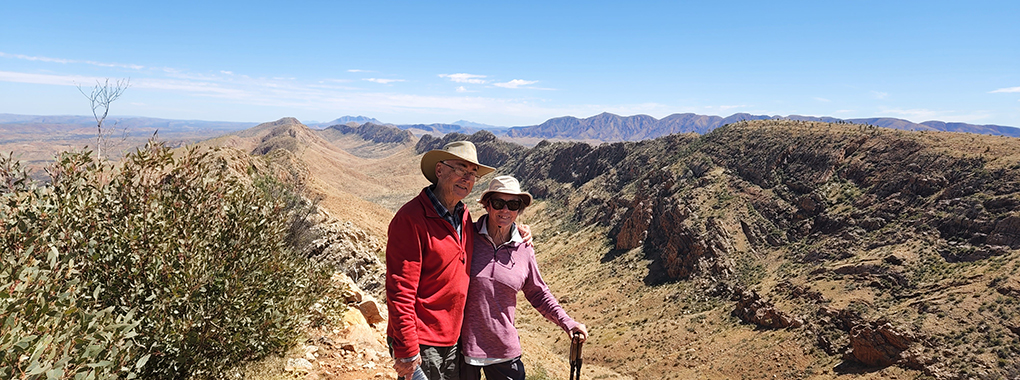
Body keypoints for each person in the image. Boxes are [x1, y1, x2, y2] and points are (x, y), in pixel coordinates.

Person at [460, 175, 589, 380]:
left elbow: (538, 293)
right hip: (463, 349)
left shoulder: (524, 248)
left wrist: (568, 323)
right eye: (498, 203)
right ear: (487, 205)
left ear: (519, 210)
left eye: (513, 204)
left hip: (504, 350)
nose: (505, 210)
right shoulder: (466, 236)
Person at [386, 140, 494, 380]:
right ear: (439, 171)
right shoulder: (411, 219)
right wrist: (406, 349)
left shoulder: (464, 215)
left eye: (473, 173)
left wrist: (519, 232)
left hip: (453, 340)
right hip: (422, 342)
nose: (467, 178)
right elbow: (400, 290)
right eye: (460, 169)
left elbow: (494, 233)